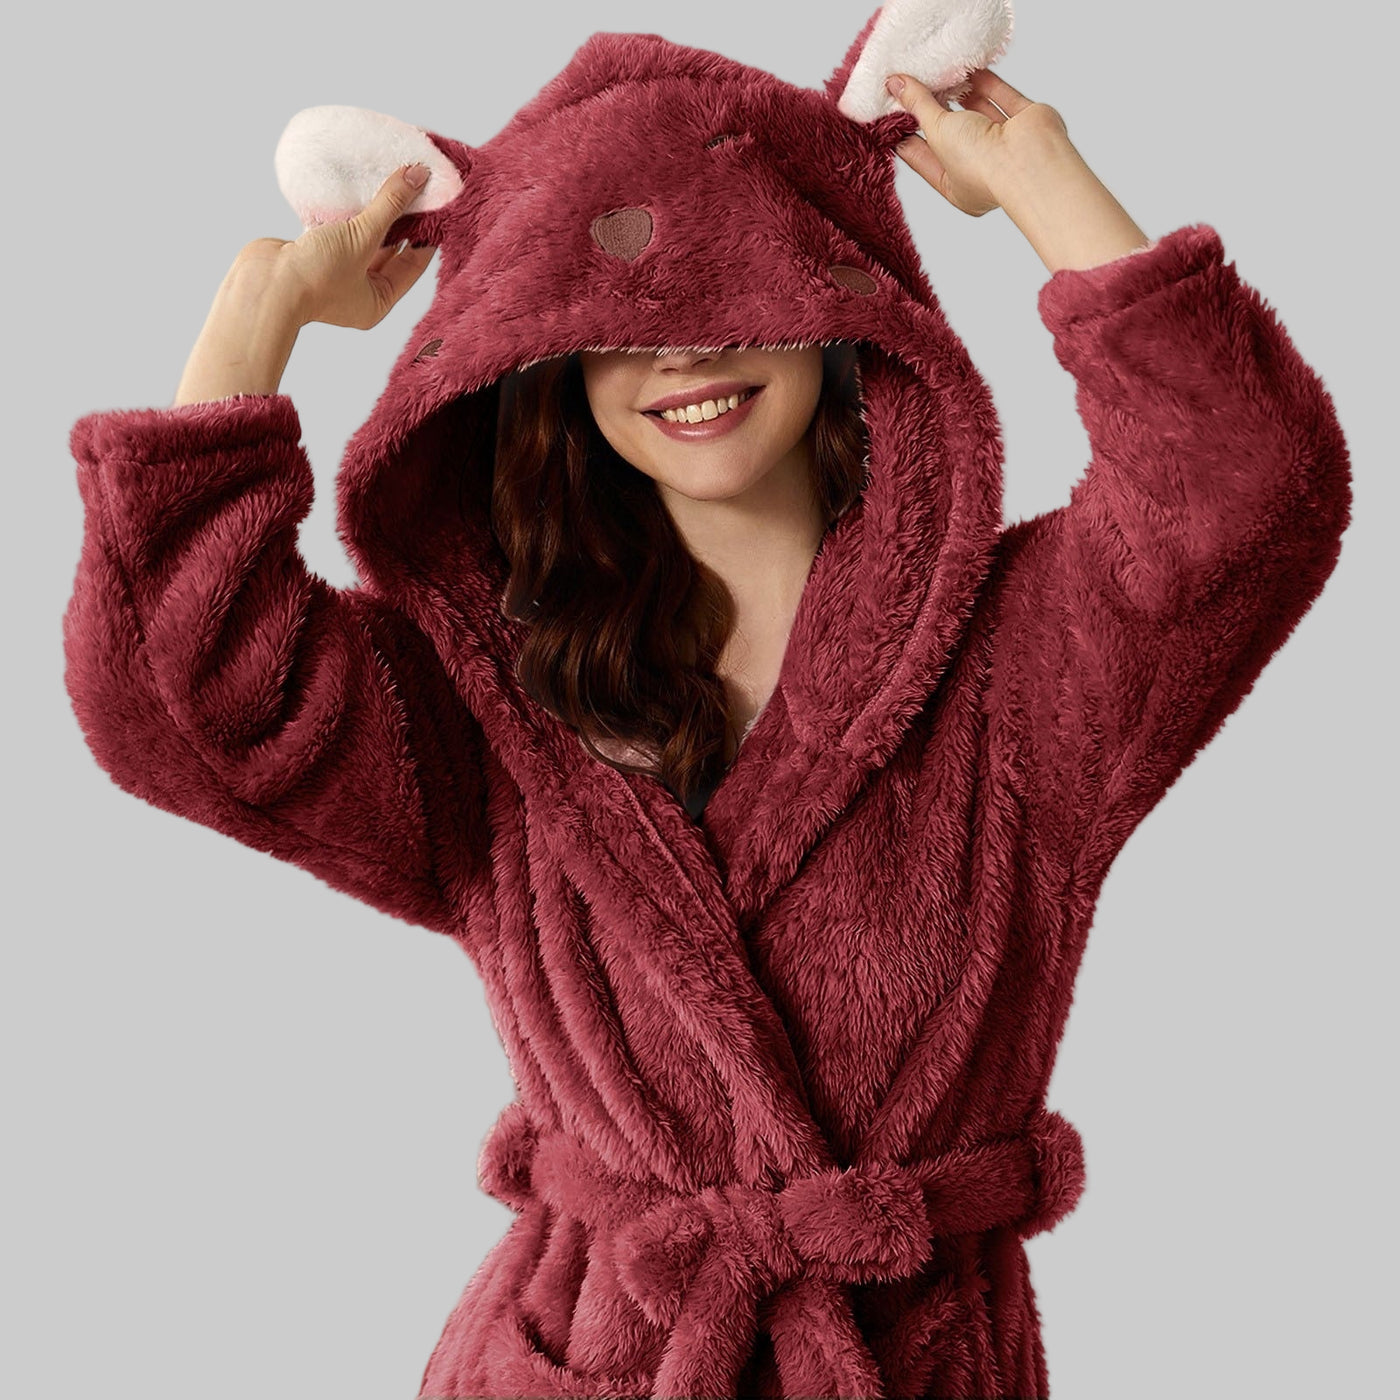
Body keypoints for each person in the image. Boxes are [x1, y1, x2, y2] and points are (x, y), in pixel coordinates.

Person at [62, 12, 1352, 1399]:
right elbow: (179, 700)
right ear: (544, 364)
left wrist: (1048, 185)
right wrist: (254, 317)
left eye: (732, 295)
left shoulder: (1021, 664)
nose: (682, 358)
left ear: (840, 311)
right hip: (579, 1358)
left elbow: (1247, 495)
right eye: (619, 325)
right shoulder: (490, 696)